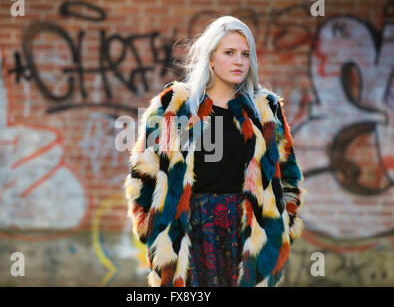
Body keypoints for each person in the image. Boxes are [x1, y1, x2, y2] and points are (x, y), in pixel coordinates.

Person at [124, 15, 305, 287]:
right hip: (186, 232)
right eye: (229, 52)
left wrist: (282, 230)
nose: (239, 61)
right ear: (210, 58)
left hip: (247, 234)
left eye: (245, 54)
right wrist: (150, 233)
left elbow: (288, 175)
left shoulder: (266, 110)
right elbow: (143, 174)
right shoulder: (173, 106)